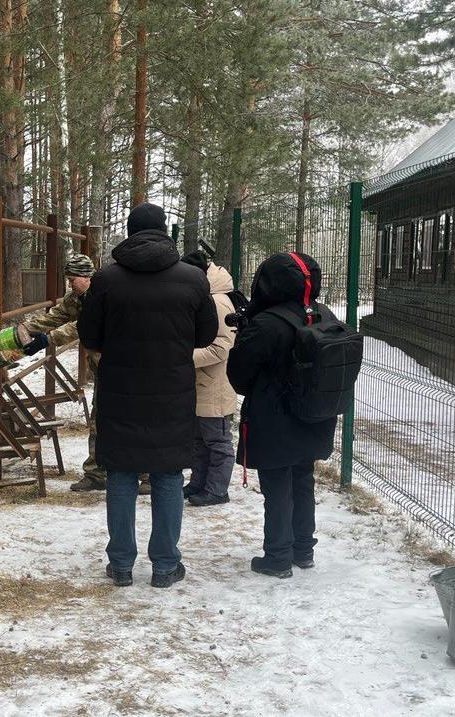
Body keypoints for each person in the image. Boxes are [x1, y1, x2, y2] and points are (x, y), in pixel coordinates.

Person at [77, 202, 217, 588]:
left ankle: (121, 564)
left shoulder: (105, 279)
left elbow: (89, 336)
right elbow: (206, 336)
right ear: (166, 234)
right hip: (172, 392)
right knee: (168, 474)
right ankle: (165, 565)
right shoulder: (192, 278)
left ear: (129, 231)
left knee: (120, 473)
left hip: (120, 392)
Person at [226, 252, 338, 579]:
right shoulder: (323, 315)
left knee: (277, 487)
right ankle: (303, 550)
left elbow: (239, 376)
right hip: (314, 415)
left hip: (274, 418)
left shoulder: (266, 323)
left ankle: (276, 557)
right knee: (303, 479)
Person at [25, 253, 107, 492]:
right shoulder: (76, 298)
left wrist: (48, 339)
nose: (70, 284)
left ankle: (145, 474)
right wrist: (24, 330)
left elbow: (82, 325)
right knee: (99, 420)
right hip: (102, 368)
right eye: (68, 279)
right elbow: (57, 316)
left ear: (87, 277)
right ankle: (97, 474)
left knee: (126, 420)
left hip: (119, 367)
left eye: (73, 279)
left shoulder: (102, 296)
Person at [179, 250, 237, 507]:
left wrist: (182, 356)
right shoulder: (203, 297)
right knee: (199, 440)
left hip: (214, 384)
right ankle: (199, 483)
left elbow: (222, 347)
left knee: (217, 441)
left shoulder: (218, 302)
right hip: (199, 383)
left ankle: (217, 489)